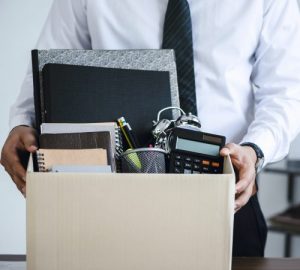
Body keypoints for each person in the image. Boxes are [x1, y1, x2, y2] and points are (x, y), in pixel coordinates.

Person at [1, 0, 300, 257]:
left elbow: (286, 91)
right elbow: (48, 66)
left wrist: (255, 150)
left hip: (225, 196)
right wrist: (23, 123)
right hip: (107, 203)